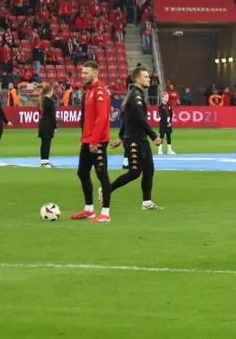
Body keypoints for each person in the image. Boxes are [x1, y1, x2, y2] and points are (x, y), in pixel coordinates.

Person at [108, 66, 165, 209]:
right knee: (134, 172)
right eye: (146, 77)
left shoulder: (136, 95)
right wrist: (153, 136)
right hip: (134, 139)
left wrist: (121, 137)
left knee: (149, 170)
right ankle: (107, 189)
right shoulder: (136, 95)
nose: (149, 79)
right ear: (138, 79)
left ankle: (147, 202)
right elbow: (139, 118)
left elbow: (127, 118)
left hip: (139, 138)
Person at [70, 61, 114, 223]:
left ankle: (106, 213)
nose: (83, 76)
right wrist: (84, 139)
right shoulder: (89, 91)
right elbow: (88, 119)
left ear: (95, 73)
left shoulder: (100, 91)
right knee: (82, 172)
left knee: (102, 175)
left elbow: (102, 117)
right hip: (89, 140)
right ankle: (89, 209)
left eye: (86, 73)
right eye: (82, 73)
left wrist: (94, 141)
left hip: (98, 141)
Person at [38, 84, 58, 168]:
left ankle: (43, 160)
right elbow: (53, 115)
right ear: (49, 92)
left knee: (43, 143)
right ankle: (46, 161)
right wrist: (55, 126)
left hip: (42, 124)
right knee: (47, 143)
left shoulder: (41, 101)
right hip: (48, 125)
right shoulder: (50, 102)